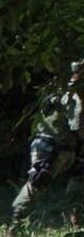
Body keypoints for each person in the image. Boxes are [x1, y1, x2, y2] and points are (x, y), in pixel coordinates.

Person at [13, 62, 84, 221]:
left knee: (80, 176)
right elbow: (78, 127)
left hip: (53, 144)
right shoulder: (74, 95)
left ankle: (76, 217)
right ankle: (15, 223)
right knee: (39, 182)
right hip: (54, 146)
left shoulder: (60, 91)